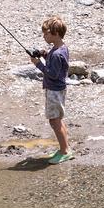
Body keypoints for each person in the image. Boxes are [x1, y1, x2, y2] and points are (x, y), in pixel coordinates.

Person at [30, 15, 72, 164]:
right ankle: (65, 148)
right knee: (58, 120)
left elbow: (52, 74)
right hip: (59, 89)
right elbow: (57, 64)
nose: (44, 36)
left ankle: (64, 151)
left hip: (54, 90)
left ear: (56, 34)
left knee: (54, 121)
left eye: (46, 33)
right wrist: (45, 54)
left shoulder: (57, 53)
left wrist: (38, 64)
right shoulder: (61, 48)